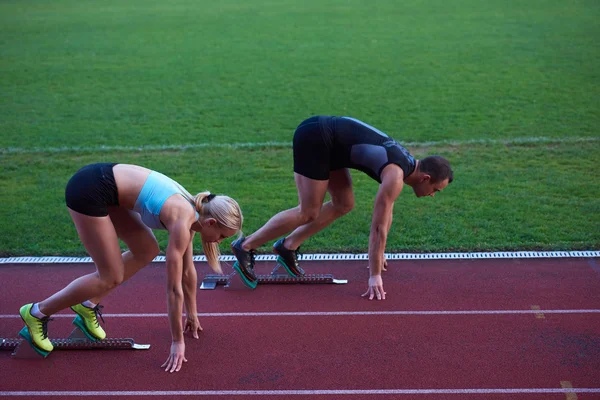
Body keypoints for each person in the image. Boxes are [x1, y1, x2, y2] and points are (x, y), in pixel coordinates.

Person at [18, 163, 243, 373]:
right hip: (88, 190)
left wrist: (192, 314)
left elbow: (187, 271)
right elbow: (173, 289)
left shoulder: (195, 213)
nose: (219, 241)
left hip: (107, 188)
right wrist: (177, 341)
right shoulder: (183, 220)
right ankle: (37, 312)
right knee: (110, 276)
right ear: (211, 223)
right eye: (222, 236)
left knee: (146, 250)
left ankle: (87, 305)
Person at [231, 116, 453, 299]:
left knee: (344, 204)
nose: (433, 195)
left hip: (332, 144)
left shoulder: (405, 166)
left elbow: (387, 214)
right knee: (308, 211)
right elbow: (378, 228)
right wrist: (375, 274)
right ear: (425, 178)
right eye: (436, 189)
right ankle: (246, 245)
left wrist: (380, 252)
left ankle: (288, 246)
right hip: (317, 137)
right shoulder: (396, 175)